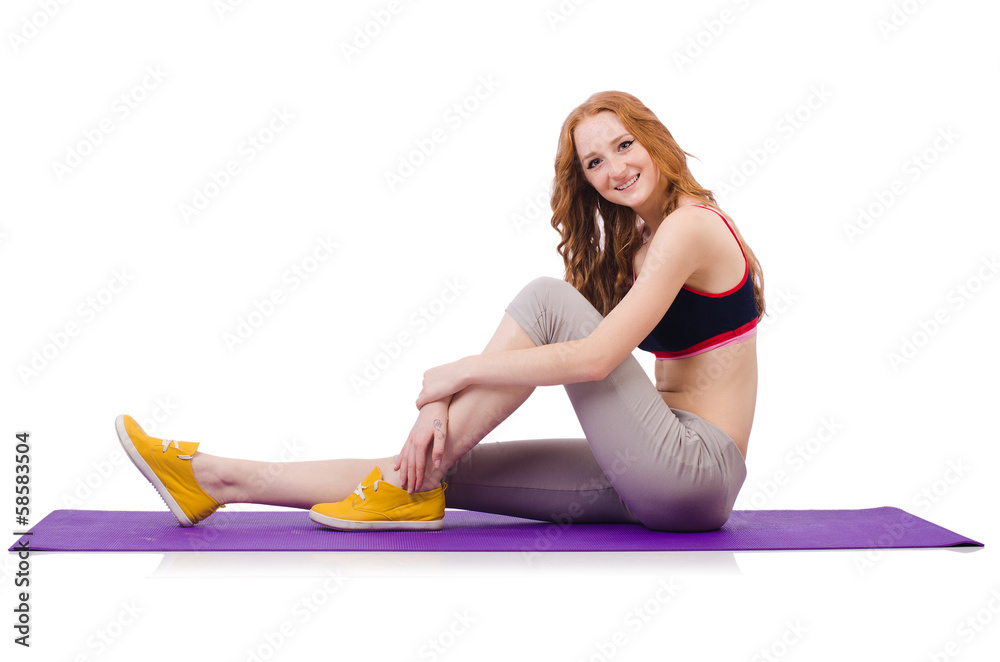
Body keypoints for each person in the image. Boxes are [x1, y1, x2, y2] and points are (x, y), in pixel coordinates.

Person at [116, 90, 765, 533]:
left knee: (545, 295)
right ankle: (215, 479)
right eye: (595, 161)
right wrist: (437, 411)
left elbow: (592, 359)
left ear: (652, 139)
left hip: (694, 469)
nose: (615, 169)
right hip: (651, 464)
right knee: (437, 468)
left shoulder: (689, 227)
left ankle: (393, 483)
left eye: (624, 146)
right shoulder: (641, 244)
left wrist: (452, 376)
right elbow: (547, 352)